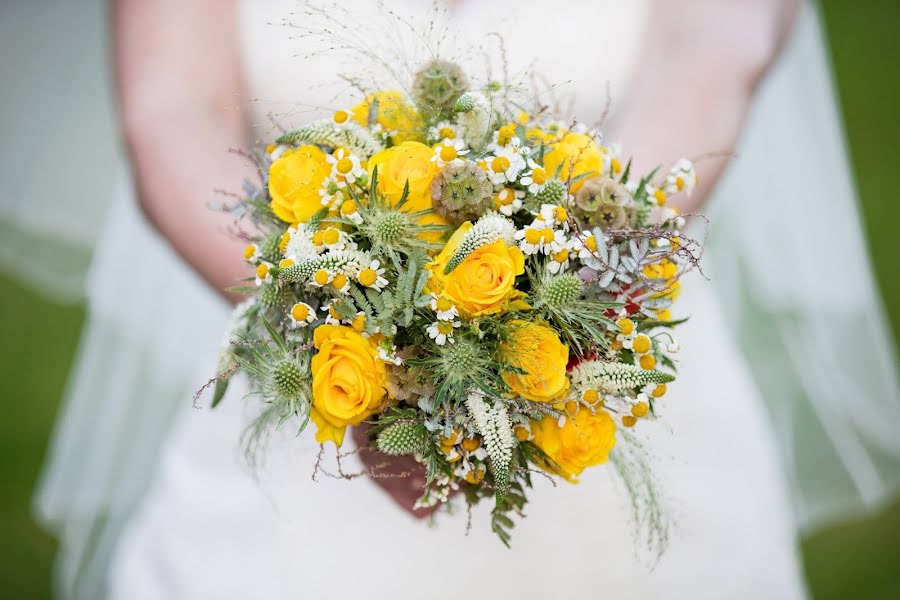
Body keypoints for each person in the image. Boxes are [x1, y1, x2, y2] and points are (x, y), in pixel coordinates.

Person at [34, 0, 900, 598]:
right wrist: (339, 327)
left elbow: (713, 50)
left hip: (601, 381)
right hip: (300, 404)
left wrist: (564, 303)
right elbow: (173, 113)